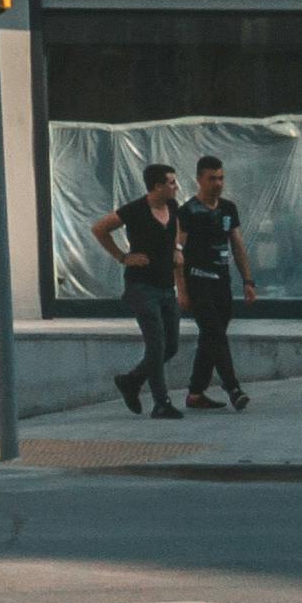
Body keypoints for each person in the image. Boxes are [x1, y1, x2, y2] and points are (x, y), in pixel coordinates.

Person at [98, 162, 187, 418]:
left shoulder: (172, 207)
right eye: (171, 182)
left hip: (165, 285)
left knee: (171, 346)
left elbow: (177, 232)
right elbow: (100, 228)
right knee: (156, 344)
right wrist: (123, 257)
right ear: (157, 186)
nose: (176, 186)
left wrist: (177, 251)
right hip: (141, 286)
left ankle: (131, 381)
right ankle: (162, 402)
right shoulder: (135, 210)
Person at [175, 154, 252, 410]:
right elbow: (178, 253)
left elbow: (237, 245)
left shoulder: (228, 209)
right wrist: (182, 290)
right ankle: (233, 387)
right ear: (199, 180)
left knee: (210, 337)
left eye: (221, 178)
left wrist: (248, 281)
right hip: (198, 282)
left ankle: (196, 393)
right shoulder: (188, 211)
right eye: (212, 179)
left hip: (222, 282)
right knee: (215, 334)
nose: (217, 183)